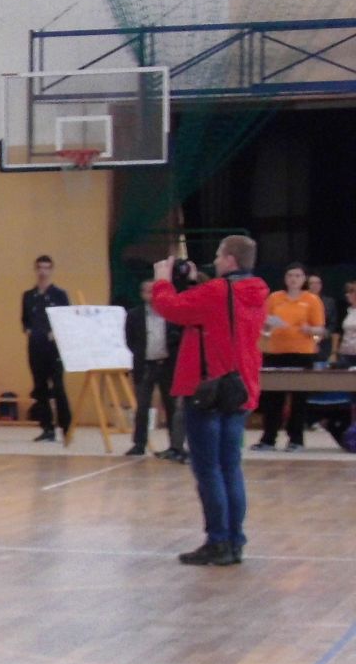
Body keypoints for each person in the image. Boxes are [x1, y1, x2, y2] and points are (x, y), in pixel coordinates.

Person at [151, 236, 269, 566]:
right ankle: (234, 540)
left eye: (218, 256)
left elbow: (171, 308)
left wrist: (162, 281)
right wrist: (195, 284)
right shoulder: (257, 292)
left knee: (208, 469)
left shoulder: (218, 291)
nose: (215, 261)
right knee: (230, 466)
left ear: (230, 260)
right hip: (239, 387)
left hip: (207, 389)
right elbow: (215, 318)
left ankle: (217, 540)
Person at [253, 262, 326, 453]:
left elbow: (320, 328)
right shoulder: (275, 298)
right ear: (285, 278)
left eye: (298, 276)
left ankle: (296, 440)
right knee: (272, 398)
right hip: (276, 352)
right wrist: (268, 326)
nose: (293, 279)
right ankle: (268, 439)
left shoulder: (311, 300)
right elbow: (263, 322)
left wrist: (309, 330)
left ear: (304, 279)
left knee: (299, 399)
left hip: (302, 354)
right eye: (290, 275)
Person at [125, 278, 183, 458]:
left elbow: (178, 337)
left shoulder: (170, 313)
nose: (152, 295)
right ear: (142, 294)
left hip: (166, 364)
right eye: (148, 291)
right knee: (142, 407)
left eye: (155, 291)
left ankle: (175, 445)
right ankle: (139, 444)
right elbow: (130, 340)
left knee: (171, 406)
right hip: (145, 365)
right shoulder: (134, 315)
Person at [22, 255, 71, 442]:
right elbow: (25, 319)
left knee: (58, 386)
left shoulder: (60, 295)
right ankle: (47, 427)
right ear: (36, 270)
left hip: (54, 348)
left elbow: (66, 318)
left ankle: (66, 426)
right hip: (36, 347)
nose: (43, 272)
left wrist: (55, 332)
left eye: (46, 268)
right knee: (39, 387)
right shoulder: (29, 295)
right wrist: (28, 330)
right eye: (40, 268)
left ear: (51, 270)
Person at [335, 280, 356, 369]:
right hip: (345, 354)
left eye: (352, 292)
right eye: (348, 292)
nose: (347, 295)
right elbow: (338, 330)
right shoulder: (347, 311)